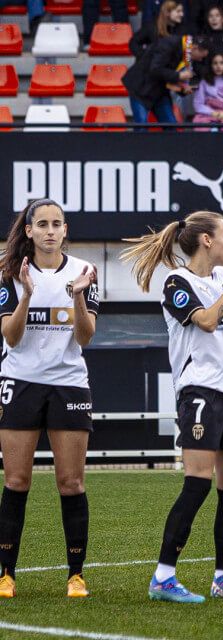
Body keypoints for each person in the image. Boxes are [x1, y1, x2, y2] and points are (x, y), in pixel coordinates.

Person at [121, 211, 223, 603]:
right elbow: (205, 321)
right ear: (206, 241)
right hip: (200, 391)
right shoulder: (177, 282)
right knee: (197, 482)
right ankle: (163, 576)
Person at [0, 199, 99, 599]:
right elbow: (11, 336)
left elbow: (86, 336)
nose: (50, 231)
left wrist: (77, 296)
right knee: (16, 480)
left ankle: (76, 575)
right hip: (20, 382)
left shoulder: (84, 272)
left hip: (69, 384)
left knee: (71, 482)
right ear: (28, 231)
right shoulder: (9, 274)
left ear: (64, 229)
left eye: (57, 224)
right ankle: (6, 574)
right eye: (42, 224)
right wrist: (26, 294)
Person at [122, 35, 212, 125]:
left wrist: (183, 89)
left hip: (160, 91)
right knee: (141, 127)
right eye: (201, 57)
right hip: (141, 88)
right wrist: (178, 76)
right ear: (195, 48)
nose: (201, 60)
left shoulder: (187, 53)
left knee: (171, 126)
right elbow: (155, 69)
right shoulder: (168, 44)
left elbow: (169, 76)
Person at [193, 53, 223, 129]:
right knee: (202, 129)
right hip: (208, 114)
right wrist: (213, 113)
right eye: (215, 63)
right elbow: (198, 105)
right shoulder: (204, 82)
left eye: (221, 63)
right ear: (210, 65)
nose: (218, 66)